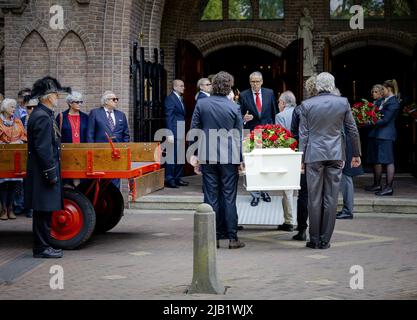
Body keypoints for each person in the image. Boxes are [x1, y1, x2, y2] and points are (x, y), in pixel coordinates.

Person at [299, 72, 361, 249]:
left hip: (314, 154)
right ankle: (325, 239)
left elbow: (304, 134)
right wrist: (356, 154)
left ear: (317, 86)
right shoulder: (342, 102)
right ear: (332, 86)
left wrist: (301, 158)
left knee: (314, 197)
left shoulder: (307, 104)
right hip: (335, 153)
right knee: (331, 197)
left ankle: (314, 239)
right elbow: (352, 130)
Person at [191, 71, 245, 249]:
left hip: (207, 155)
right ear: (229, 86)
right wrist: (241, 159)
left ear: (213, 85)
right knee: (229, 197)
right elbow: (238, 136)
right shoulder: (234, 107)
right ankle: (232, 238)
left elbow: (195, 130)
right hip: (229, 157)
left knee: (211, 196)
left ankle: (212, 237)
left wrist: (194, 155)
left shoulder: (202, 104)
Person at [25, 76, 71, 258]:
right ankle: (41, 248)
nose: (57, 97)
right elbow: (43, 149)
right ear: (47, 96)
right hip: (43, 172)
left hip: (42, 172)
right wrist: (51, 173)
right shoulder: (42, 116)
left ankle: (44, 245)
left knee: (44, 211)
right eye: (54, 94)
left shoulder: (44, 114)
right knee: (42, 211)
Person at [239, 71, 278, 207]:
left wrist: (275, 132)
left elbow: (274, 113)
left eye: (257, 81)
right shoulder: (243, 95)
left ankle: (265, 191)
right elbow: (239, 115)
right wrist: (244, 118)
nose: (255, 84)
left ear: (262, 82)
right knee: (252, 165)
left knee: (266, 165)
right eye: (252, 82)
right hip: (251, 134)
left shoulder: (269, 93)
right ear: (249, 82)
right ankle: (255, 194)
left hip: (267, 133)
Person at [290, 75, 317, 241]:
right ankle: (319, 230)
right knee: (321, 195)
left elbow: (294, 134)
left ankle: (302, 230)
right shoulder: (333, 106)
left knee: (304, 194)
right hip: (327, 155)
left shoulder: (300, 108)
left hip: (306, 154)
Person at [365, 79, 401, 196]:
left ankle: (389, 187)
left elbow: (385, 120)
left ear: (389, 89)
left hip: (386, 135)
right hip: (378, 134)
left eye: (383, 89)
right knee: (377, 160)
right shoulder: (384, 101)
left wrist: (370, 122)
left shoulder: (393, 102)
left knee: (389, 161)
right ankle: (377, 184)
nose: (382, 90)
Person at [87, 91, 130, 188]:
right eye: (114, 99)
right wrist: (92, 151)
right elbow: (90, 134)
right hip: (100, 152)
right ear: (106, 101)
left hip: (117, 153)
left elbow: (126, 134)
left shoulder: (121, 115)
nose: (116, 101)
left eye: (117, 99)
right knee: (101, 178)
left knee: (115, 178)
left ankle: (115, 200)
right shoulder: (95, 113)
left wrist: (124, 149)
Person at [0, 98, 27, 220]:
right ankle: (3, 209)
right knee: (3, 184)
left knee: (13, 184)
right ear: (5, 108)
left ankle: (10, 208)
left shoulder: (18, 122)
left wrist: (18, 142)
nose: (14, 109)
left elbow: (24, 137)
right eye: (11, 107)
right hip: (2, 158)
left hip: (16, 158)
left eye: (14, 107)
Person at [275, 91, 297, 232]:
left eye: (279, 102)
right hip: (302, 153)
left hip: (288, 154)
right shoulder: (300, 112)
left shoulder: (280, 116)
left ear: (283, 103)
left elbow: (280, 137)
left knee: (288, 190)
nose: (278, 104)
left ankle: (289, 221)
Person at [164, 79, 189, 188]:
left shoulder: (180, 99)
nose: (184, 88)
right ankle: (169, 179)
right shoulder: (170, 99)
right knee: (171, 156)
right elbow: (169, 117)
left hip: (181, 130)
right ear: (175, 87)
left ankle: (178, 178)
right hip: (173, 131)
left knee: (180, 156)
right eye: (181, 86)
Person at [298, 8, 317, 77]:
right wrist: (306, 25)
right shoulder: (302, 19)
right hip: (303, 34)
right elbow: (301, 24)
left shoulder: (310, 19)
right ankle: (304, 64)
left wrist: (307, 25)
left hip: (308, 35)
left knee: (309, 49)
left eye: (307, 10)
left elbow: (312, 27)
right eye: (304, 11)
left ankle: (310, 65)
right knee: (303, 49)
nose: (306, 12)